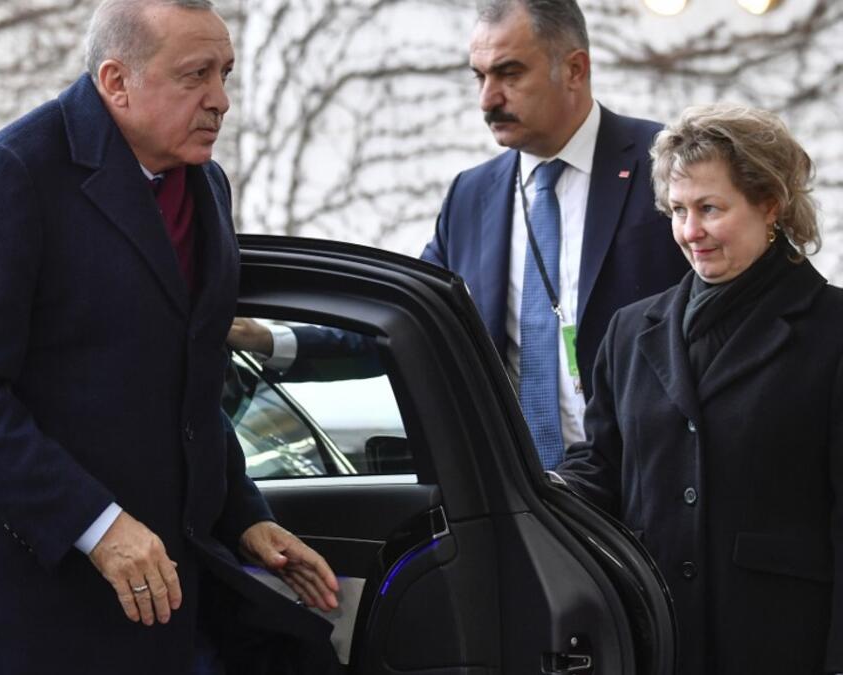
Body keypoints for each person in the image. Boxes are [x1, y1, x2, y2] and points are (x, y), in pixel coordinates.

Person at [0, 1, 340, 673]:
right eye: (196, 75)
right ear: (116, 81)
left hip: (159, 613)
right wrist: (96, 524)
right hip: (22, 617)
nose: (220, 100)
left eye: (226, 73)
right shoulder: (8, 174)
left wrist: (244, 515)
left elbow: (190, 390)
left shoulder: (207, 185)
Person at [229, 0, 687, 469]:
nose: (488, 99)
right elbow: (404, 322)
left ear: (574, 69)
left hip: (650, 485)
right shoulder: (472, 197)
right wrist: (265, 337)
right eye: (480, 76)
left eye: (510, 74)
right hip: (524, 500)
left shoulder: (663, 169)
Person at [555, 104, 843, 674]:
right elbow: (603, 468)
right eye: (679, 210)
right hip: (659, 640)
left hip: (783, 644)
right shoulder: (631, 330)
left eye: (710, 208)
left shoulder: (832, 330)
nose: (691, 232)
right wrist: (534, 493)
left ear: (770, 204)